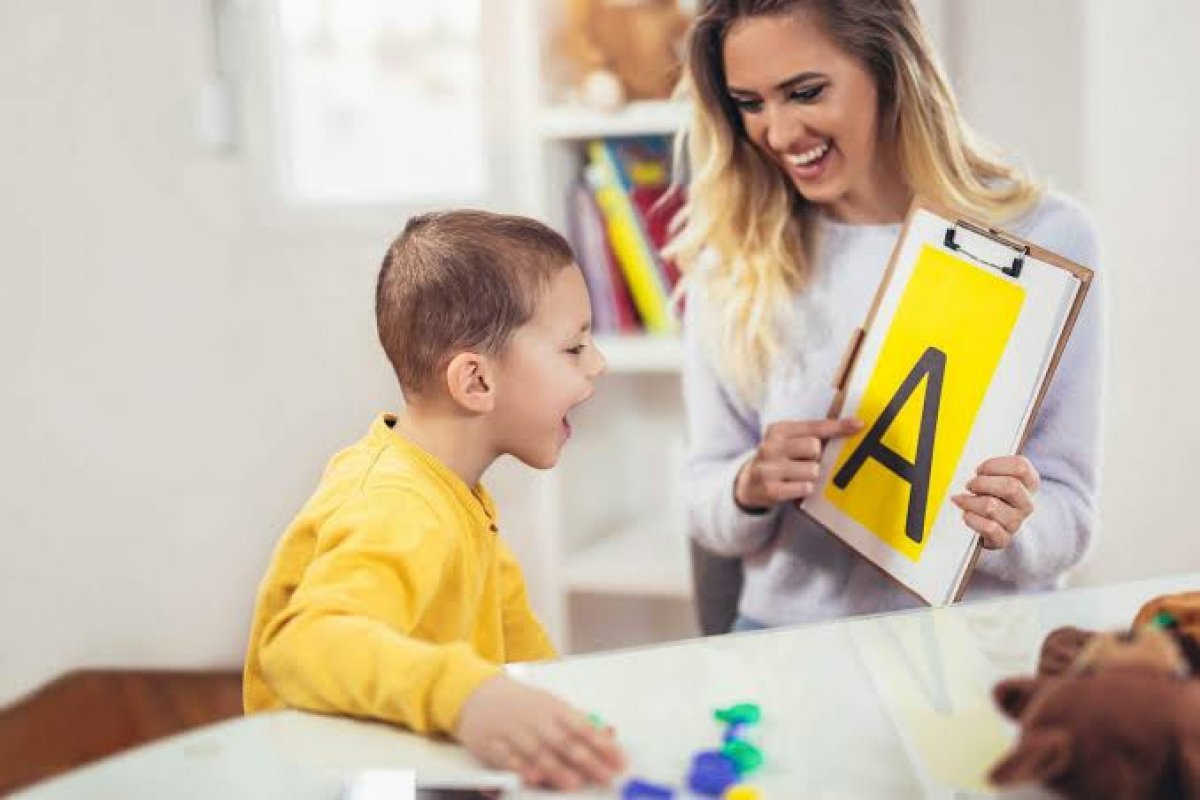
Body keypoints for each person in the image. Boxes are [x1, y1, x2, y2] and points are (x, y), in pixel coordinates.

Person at [670, 0, 1105, 632]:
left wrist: (1016, 527)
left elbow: (1072, 511)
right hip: (791, 644)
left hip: (979, 644)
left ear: (889, 70)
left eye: (806, 92)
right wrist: (748, 486)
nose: (781, 133)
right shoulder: (732, 261)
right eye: (750, 103)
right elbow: (702, 495)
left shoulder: (1049, 238)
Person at [242, 210, 624, 790]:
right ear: (476, 382)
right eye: (574, 348)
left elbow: (521, 649)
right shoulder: (399, 505)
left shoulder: (458, 493)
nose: (597, 363)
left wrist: (566, 727)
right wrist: (468, 696)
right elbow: (301, 645)